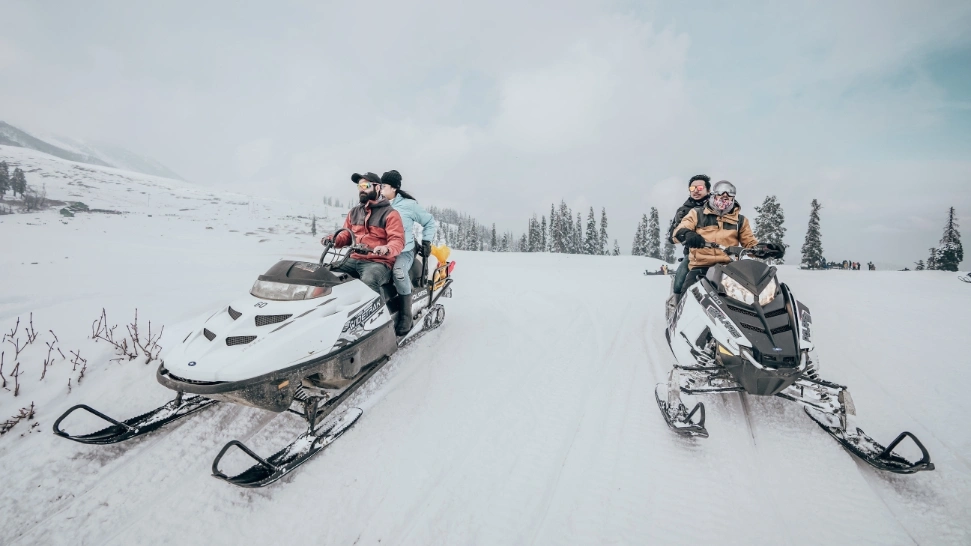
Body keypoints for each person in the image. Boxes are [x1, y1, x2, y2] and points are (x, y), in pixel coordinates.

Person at [671, 180, 783, 293]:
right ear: (713, 196)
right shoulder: (697, 214)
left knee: (745, 297)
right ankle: (679, 307)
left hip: (729, 270)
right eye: (720, 196)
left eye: (727, 198)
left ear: (732, 199)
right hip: (701, 267)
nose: (723, 200)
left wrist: (765, 249)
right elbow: (679, 230)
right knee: (688, 293)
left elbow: (750, 244)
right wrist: (687, 234)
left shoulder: (740, 221)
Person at [322, 172, 405, 296]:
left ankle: (379, 313)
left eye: (365, 186)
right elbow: (346, 235)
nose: (361, 189)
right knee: (326, 273)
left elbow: (398, 240)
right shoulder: (354, 212)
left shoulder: (390, 214)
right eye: (359, 187)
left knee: (368, 281)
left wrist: (386, 248)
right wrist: (333, 240)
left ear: (377, 188)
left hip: (378, 262)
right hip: (352, 259)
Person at [379, 169, 437, 335]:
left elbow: (429, 222)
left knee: (398, 271)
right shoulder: (379, 205)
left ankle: (406, 315)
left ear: (394, 188)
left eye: (384, 186)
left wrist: (426, 241)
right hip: (383, 250)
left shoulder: (408, 205)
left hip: (405, 251)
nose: (381, 189)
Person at [669, 175, 711, 294]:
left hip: (722, 253)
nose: (696, 191)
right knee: (679, 283)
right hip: (695, 254)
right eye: (692, 188)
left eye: (700, 187)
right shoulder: (684, 211)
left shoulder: (720, 206)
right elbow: (672, 236)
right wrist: (686, 234)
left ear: (708, 190)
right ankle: (677, 307)